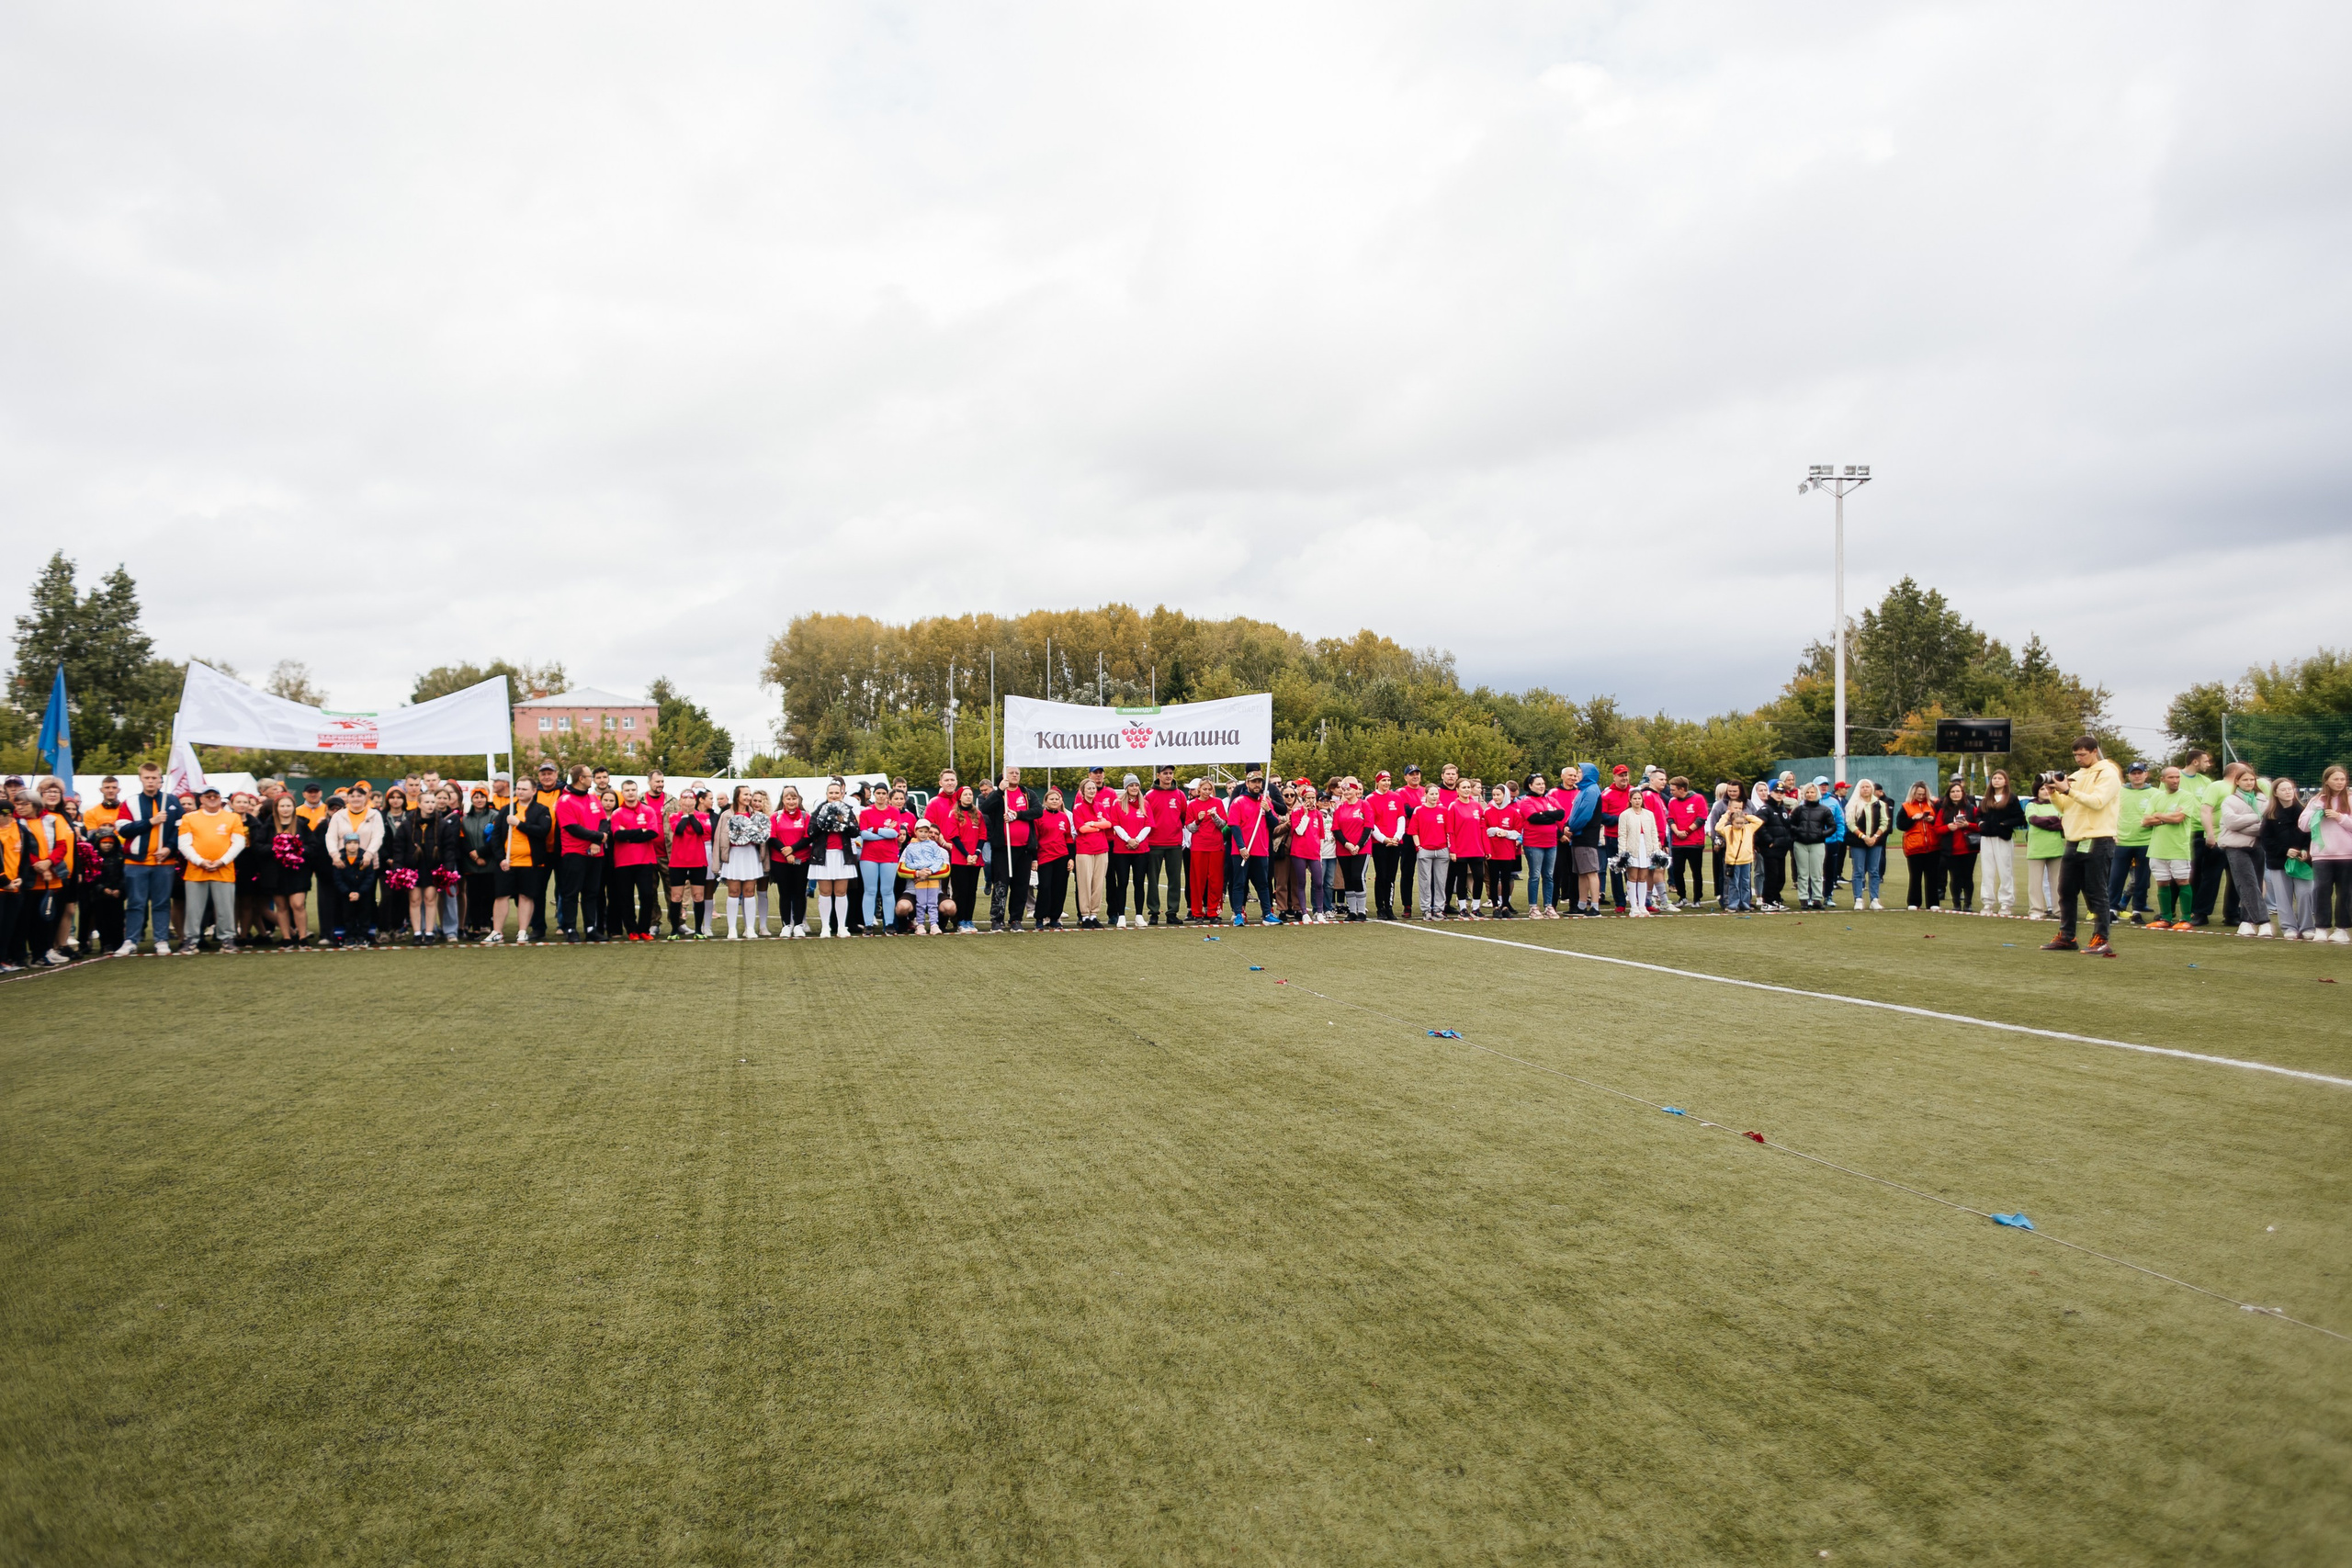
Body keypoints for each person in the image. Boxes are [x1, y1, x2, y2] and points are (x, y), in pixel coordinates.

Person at [2043, 736, 2121, 956]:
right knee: (2066, 891)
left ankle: (2101, 938)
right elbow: (2065, 807)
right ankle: (2067, 937)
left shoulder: (2108, 773)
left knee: (2097, 892)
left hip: (2099, 839)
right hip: (2074, 839)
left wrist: (2067, 790)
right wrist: (2054, 794)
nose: (2078, 759)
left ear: (2095, 751)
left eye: (2082, 754)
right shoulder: (2076, 775)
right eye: (2075, 755)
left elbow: (2097, 802)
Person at [113, 762, 182, 956]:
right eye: (147, 778)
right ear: (140, 778)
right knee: (136, 903)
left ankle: (161, 939)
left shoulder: (172, 801)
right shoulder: (130, 802)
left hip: (164, 862)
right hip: (136, 862)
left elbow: (180, 829)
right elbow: (123, 830)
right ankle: (131, 940)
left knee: (161, 903)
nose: (151, 781)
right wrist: (151, 822)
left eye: (154, 778)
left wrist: (169, 848)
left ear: (161, 779)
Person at [175, 785, 246, 953]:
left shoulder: (232, 818)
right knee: (194, 908)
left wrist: (222, 861)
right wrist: (200, 861)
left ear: (220, 798)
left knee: (225, 908)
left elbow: (239, 843)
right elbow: (184, 844)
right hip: (196, 870)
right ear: (202, 799)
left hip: (224, 869)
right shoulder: (189, 818)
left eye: (215, 795)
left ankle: (227, 939)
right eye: (208, 796)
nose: (212, 798)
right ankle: (191, 940)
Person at [2213, 762, 2272, 939]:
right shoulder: (2229, 801)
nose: (2249, 782)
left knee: (2255, 883)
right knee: (2247, 883)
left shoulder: (2263, 800)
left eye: (2251, 779)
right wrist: (2255, 817)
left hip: (2257, 847)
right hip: (2236, 847)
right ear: (2237, 782)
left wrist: (2245, 824)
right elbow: (2231, 823)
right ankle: (2263, 922)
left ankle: (2246, 922)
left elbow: (2266, 827)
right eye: (2245, 780)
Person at [488, 778, 550, 944]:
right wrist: (501, 858)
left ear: (533, 791)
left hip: (530, 863)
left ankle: (522, 931)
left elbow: (543, 831)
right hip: (507, 863)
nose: (520, 792)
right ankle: (497, 932)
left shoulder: (541, 810)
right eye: (518, 788)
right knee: (501, 896)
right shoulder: (506, 810)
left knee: (526, 896)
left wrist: (519, 824)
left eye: (524, 789)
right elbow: (495, 837)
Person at [553, 765, 611, 942]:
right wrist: (599, 837)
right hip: (574, 853)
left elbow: (604, 821)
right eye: (589, 776)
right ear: (580, 779)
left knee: (591, 892)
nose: (592, 779)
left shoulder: (593, 798)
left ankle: (590, 928)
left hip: (595, 853)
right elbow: (572, 828)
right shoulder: (565, 800)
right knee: (571, 893)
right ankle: (570, 929)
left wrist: (596, 841)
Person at [980, 767, 1041, 931]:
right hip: (1003, 848)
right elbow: (984, 809)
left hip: (1024, 849)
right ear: (1004, 775)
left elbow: (1038, 811)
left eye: (1017, 773)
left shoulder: (1027, 793)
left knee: (1021, 885)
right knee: (1001, 884)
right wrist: (999, 791)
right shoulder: (999, 794)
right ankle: (997, 918)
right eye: (1011, 773)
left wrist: (1018, 815)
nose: (1015, 775)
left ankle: (1016, 919)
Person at [2299, 765, 2352, 944]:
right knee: (2321, 891)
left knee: (2345, 893)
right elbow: (2303, 826)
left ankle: (2342, 930)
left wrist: (2339, 817)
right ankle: (2321, 928)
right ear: (2327, 780)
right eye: (2336, 779)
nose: (2340, 782)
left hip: (2347, 855)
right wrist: (2316, 813)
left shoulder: (2350, 799)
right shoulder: (2316, 800)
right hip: (2322, 855)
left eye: (2342, 779)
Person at [2140, 765, 2197, 930]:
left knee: (2182, 881)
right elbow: (2145, 821)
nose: (2175, 780)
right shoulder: (2157, 797)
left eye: (2177, 777)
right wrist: (2166, 818)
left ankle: (2185, 918)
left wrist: (2158, 815)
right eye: (2171, 777)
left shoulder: (2186, 796)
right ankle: (2165, 918)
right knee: (2162, 882)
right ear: (2162, 779)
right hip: (2157, 848)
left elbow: (2179, 818)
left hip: (2178, 847)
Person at [606, 781, 662, 941]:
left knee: (647, 895)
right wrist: (640, 831)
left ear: (637, 791)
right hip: (623, 862)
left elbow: (652, 833)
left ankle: (644, 929)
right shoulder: (617, 813)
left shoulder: (648, 810)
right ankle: (631, 930)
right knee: (626, 897)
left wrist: (629, 834)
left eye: (633, 790)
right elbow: (618, 835)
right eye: (627, 790)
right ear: (622, 793)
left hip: (645, 860)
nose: (630, 793)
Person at [2262, 777, 2316, 941]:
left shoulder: (2304, 811)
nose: (2288, 792)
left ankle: (2307, 926)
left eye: (2290, 788)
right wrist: (2285, 851)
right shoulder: (2270, 815)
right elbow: (2266, 840)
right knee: (2283, 897)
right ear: (2276, 793)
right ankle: (2288, 927)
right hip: (2278, 862)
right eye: (2283, 789)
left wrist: (2306, 851)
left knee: (2305, 893)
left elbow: (2311, 834)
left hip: (2302, 862)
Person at [713, 784, 768, 941]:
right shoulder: (726, 815)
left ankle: (749, 928)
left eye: (749, 794)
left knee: (750, 891)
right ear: (737, 796)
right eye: (745, 794)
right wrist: (717, 863)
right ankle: (732, 929)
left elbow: (763, 839)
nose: (748, 797)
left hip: (751, 855)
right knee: (734, 892)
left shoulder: (756, 815)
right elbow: (718, 839)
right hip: (733, 855)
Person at [806, 780, 859, 937]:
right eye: (831, 793)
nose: (834, 796)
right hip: (823, 856)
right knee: (825, 892)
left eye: (837, 793)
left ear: (842, 794)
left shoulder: (847, 810)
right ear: (826, 794)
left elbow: (855, 831)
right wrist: (824, 822)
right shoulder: (819, 810)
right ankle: (825, 927)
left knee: (841, 892)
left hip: (843, 856)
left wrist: (844, 822)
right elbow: (811, 832)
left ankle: (842, 927)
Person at [2109, 761, 2156, 925]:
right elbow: (2110, 813)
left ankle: (2137, 911)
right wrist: (2112, 833)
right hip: (2122, 841)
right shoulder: (2119, 792)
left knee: (2142, 879)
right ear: (2129, 775)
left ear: (2146, 774)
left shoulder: (2154, 793)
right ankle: (2112, 909)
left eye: (2139, 773)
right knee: (2116, 877)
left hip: (2146, 841)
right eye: (2133, 773)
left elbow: (2160, 814)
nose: (2137, 776)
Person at [259, 794, 310, 945]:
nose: (285, 809)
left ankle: (303, 937)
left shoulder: (301, 824)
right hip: (276, 873)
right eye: (282, 806)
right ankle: (287, 937)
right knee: (281, 906)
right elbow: (258, 846)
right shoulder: (268, 825)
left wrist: (297, 849)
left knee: (298, 904)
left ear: (293, 807)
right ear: (276, 808)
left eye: (288, 806)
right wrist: (276, 848)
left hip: (297, 872)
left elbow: (313, 846)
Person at [855, 785, 907, 935]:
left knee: (887, 891)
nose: (881, 796)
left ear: (887, 796)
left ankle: (889, 924)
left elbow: (894, 833)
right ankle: (868, 924)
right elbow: (864, 834)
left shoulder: (894, 811)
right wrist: (884, 833)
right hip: (869, 856)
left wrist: (876, 830)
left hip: (889, 855)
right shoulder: (866, 812)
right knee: (870, 890)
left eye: (884, 793)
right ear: (874, 795)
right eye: (878, 793)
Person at [1142, 763, 1187, 926]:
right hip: (1154, 843)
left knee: (1175, 879)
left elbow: (1183, 816)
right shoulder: (1149, 795)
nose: (1168, 776)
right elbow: (1145, 818)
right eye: (1165, 773)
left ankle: (1172, 912)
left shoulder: (1180, 795)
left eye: (1170, 773)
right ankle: (1154, 912)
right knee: (1152, 880)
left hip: (1174, 844)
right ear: (1158, 775)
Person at [1974, 772, 2023, 916]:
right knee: (1987, 871)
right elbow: (1978, 815)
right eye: (1994, 778)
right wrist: (1980, 823)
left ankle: (2006, 903)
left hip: (2003, 838)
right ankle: (1987, 902)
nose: (1996, 781)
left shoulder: (2011, 799)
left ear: (2005, 782)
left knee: (2005, 870)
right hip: (1986, 838)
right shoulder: (1986, 799)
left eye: (2000, 778)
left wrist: (2004, 824)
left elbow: (2020, 818)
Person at [1107, 773, 1152, 928]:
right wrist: (1128, 840)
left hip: (1141, 850)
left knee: (1139, 883)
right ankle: (1121, 916)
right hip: (1122, 850)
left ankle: (1139, 915)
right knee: (1123, 883)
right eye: (1131, 785)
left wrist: (1137, 840)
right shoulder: (1117, 803)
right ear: (1126, 787)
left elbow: (1148, 825)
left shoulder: (1145, 804)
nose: (1134, 788)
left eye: (1136, 785)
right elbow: (1116, 824)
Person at [1068, 775, 1112, 929]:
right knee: (1085, 883)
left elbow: (1108, 823)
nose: (1092, 791)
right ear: (1082, 791)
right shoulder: (1078, 807)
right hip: (1084, 849)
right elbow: (1082, 828)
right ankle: (1085, 915)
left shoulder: (1100, 806)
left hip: (1101, 848)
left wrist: (1094, 824)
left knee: (1098, 883)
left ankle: (1094, 914)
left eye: (1093, 788)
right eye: (1089, 788)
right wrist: (1099, 826)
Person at [767, 786, 810, 938]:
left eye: (794, 798)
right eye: (788, 798)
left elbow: (808, 837)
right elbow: (772, 837)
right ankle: (786, 924)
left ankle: (798, 924)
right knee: (784, 893)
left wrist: (792, 849)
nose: (791, 802)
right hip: (780, 860)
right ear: (783, 800)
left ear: (798, 799)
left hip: (802, 860)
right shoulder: (775, 817)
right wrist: (785, 853)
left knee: (799, 892)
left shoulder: (806, 816)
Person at [900, 818, 954, 933]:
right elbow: (907, 864)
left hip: (932, 880)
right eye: (921, 831)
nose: (924, 834)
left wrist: (930, 871)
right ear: (915, 831)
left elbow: (939, 861)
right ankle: (920, 925)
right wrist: (918, 872)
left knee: (933, 903)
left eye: (926, 831)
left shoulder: (934, 846)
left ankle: (934, 924)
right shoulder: (910, 847)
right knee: (921, 903)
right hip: (918, 882)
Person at [1788, 783, 1836, 909]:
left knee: (1817, 873)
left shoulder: (1824, 810)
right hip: (1800, 844)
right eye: (1808, 792)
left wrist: (1821, 834)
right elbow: (1790, 824)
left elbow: (1832, 827)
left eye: (1812, 792)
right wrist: (1799, 832)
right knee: (1802, 873)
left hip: (1818, 844)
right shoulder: (1799, 809)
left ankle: (1817, 899)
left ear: (1817, 794)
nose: (1810, 794)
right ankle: (1803, 898)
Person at [1843, 780, 1888, 910]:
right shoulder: (1854, 805)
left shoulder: (1880, 804)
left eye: (1868, 787)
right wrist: (1863, 837)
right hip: (1858, 842)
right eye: (1863, 787)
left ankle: (1874, 899)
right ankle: (1858, 898)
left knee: (1874, 871)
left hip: (1876, 842)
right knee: (1858, 871)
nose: (1865, 789)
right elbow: (1850, 824)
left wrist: (1875, 837)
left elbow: (1884, 822)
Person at [2023, 780, 2066, 919]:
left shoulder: (2058, 805)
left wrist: (2048, 821)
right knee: (2035, 883)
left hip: (2055, 848)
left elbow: (2063, 824)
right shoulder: (2031, 805)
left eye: (2049, 789)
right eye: (2042, 789)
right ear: (2037, 791)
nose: (2046, 791)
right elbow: (2034, 820)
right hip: (2036, 849)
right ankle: (2036, 910)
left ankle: (2058, 910)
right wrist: (2053, 820)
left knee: (2057, 882)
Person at [1898, 782, 1944, 910]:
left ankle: (1933, 903)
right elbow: (1901, 825)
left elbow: (1942, 820)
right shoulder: (1906, 806)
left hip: (1933, 846)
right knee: (1915, 876)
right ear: (1913, 793)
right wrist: (1913, 818)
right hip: (1914, 846)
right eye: (1918, 794)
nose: (1921, 796)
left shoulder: (1934, 805)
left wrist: (1933, 820)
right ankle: (1913, 902)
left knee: (1932, 876)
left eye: (1923, 794)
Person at [1032, 788, 1074, 931]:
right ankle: (1039, 917)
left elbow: (1068, 838)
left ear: (1060, 801)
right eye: (1052, 799)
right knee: (1045, 888)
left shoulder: (1064, 817)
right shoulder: (1039, 816)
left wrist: (1070, 858)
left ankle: (1055, 918)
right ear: (1046, 801)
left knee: (1060, 888)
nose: (1055, 801)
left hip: (1062, 857)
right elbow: (1035, 839)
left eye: (1057, 799)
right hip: (1045, 857)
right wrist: (1034, 859)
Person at [1331, 776, 1372, 922]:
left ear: (1356, 790)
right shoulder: (1340, 808)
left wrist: (1358, 846)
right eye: (1344, 789)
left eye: (1349, 789)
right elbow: (1336, 829)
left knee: (1357, 877)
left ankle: (1362, 911)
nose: (1346, 792)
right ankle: (1352, 911)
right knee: (1348, 879)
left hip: (1361, 849)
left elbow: (1368, 827)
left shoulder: (1364, 805)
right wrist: (1347, 844)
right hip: (1344, 849)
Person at [1938, 778, 1980, 913]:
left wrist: (1968, 825)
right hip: (1951, 850)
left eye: (1958, 791)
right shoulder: (1944, 810)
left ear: (1963, 793)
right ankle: (1956, 903)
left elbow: (1980, 826)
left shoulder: (1971, 808)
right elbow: (1937, 829)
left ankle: (1968, 903)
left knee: (1968, 876)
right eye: (1953, 792)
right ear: (1949, 794)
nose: (1956, 794)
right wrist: (1947, 827)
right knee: (1955, 877)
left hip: (1969, 849)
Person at [1717, 792, 1759, 911]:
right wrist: (1726, 815)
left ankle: (1745, 903)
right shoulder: (1728, 829)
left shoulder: (1748, 828)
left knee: (1745, 884)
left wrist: (1746, 816)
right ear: (1732, 822)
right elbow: (1718, 827)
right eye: (1737, 823)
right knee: (1733, 884)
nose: (1740, 825)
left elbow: (1759, 822)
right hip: (1733, 861)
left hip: (1746, 860)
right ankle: (1733, 904)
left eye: (1742, 823)